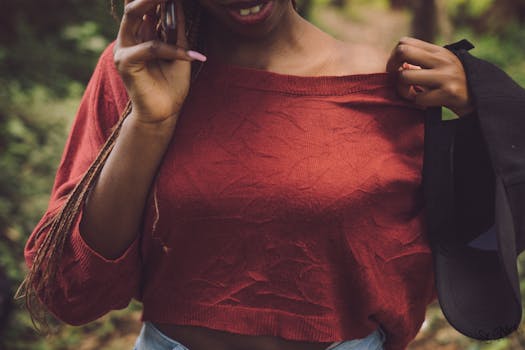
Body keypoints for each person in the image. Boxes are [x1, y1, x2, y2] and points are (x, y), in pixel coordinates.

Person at [18, 0, 477, 349]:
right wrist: (150, 123)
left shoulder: (397, 86)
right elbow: (70, 289)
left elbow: (470, 254)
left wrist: (484, 113)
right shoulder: (138, 69)